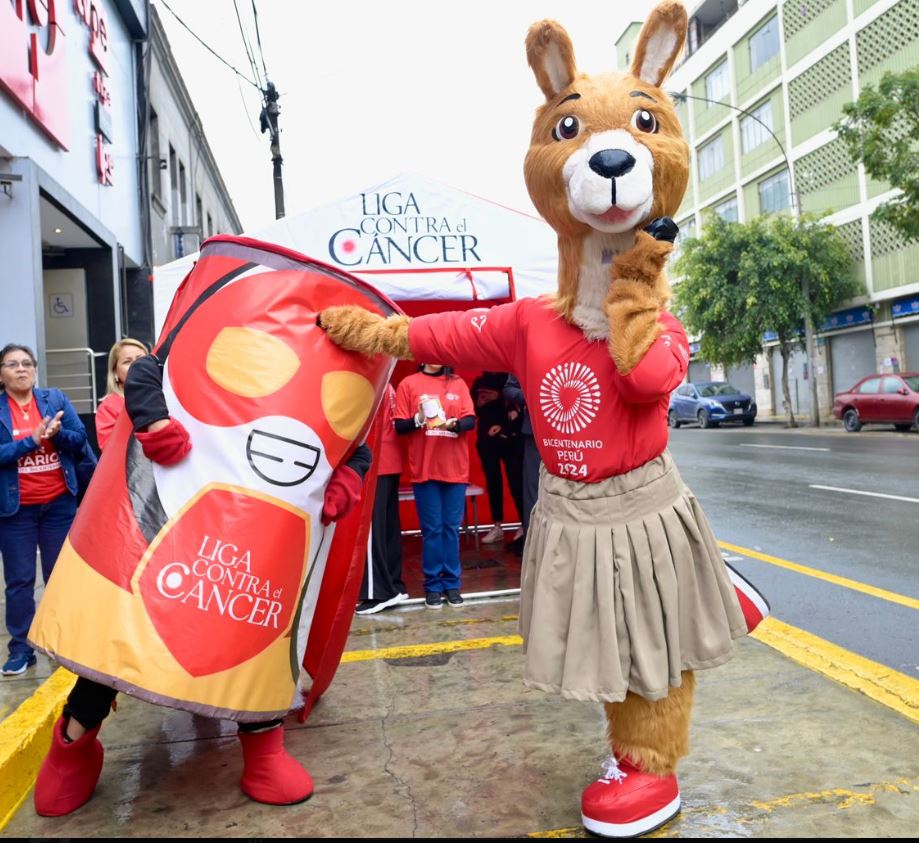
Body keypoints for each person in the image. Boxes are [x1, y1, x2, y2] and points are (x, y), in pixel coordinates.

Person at [0, 343, 87, 676]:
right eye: (12, 364)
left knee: (60, 577)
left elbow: (80, 440)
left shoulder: (55, 399)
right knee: (19, 582)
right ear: (2, 374)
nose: (21, 369)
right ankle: (21, 649)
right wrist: (31, 442)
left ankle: (61, 642)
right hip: (16, 511)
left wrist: (57, 434)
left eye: (26, 363)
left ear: (35, 369)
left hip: (58, 505)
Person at [394, 363, 475, 609]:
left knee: (451, 529)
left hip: (455, 468)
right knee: (432, 530)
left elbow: (470, 420)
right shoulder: (408, 384)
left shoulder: (457, 382)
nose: (435, 356)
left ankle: (452, 584)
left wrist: (454, 425)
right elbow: (399, 426)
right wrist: (419, 418)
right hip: (425, 469)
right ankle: (432, 586)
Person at [355, 383, 408, 615]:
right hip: (389, 459)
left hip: (377, 460)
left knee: (371, 532)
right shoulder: (387, 383)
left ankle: (377, 592)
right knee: (387, 529)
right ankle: (394, 584)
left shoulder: (370, 382)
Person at [470, 371, 525, 547]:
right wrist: (481, 401)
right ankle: (497, 525)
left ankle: (525, 524)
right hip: (487, 441)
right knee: (493, 483)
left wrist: (504, 427)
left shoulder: (511, 379)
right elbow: (472, 410)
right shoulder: (480, 381)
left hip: (511, 440)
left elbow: (520, 410)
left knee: (517, 482)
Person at [502, 374, 539, 555]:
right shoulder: (529, 347)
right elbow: (509, 389)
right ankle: (533, 550)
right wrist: (535, 395)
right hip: (535, 432)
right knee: (533, 493)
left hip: (571, 432)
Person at [94, 338, 148, 450]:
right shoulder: (108, 407)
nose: (136, 364)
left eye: (141, 358)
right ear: (115, 373)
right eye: (127, 361)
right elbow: (110, 451)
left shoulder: (165, 394)